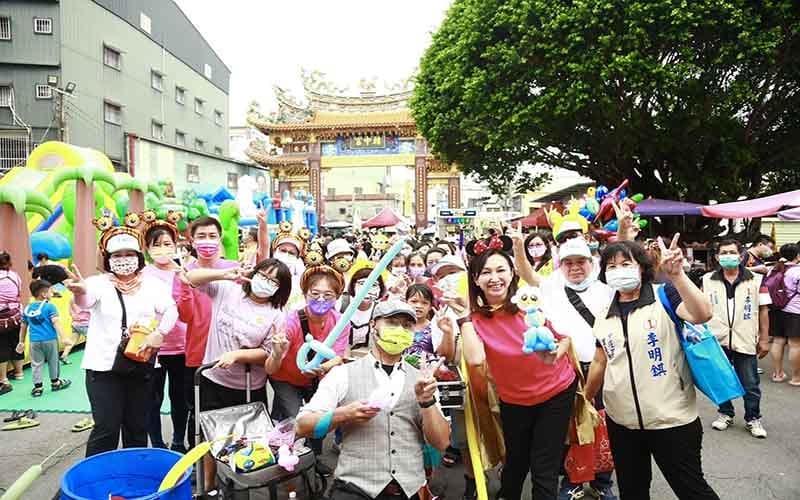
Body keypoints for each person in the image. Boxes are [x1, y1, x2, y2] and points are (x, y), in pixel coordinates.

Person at [585, 237, 719, 500]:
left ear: (641, 267)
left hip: (672, 419)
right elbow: (601, 360)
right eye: (611, 266)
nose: (618, 270)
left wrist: (678, 275)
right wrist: (586, 398)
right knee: (633, 491)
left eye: (626, 263)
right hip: (622, 421)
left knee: (692, 490)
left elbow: (703, 314)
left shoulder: (664, 296)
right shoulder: (604, 314)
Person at [295, 299, 451, 500]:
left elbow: (441, 442)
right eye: (392, 323)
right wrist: (344, 414)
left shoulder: (422, 380)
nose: (400, 330)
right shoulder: (342, 374)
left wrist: (427, 402)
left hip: (409, 489)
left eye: (406, 325)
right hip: (354, 488)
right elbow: (302, 427)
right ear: (373, 325)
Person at [457, 244, 577, 500]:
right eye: (486, 272)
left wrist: (556, 352)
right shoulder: (474, 320)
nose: (494, 278)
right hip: (514, 399)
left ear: (512, 273)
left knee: (543, 467)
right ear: (476, 280)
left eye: (501, 270)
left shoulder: (531, 301)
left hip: (556, 391)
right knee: (516, 462)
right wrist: (463, 318)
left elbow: (565, 336)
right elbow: (475, 359)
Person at [515, 236, 618, 499]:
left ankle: (602, 481)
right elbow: (527, 275)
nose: (575, 267)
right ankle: (572, 479)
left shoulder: (606, 288)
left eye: (580, 261)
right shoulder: (552, 287)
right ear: (560, 265)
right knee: (568, 426)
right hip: (564, 369)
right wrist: (518, 245)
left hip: (602, 368)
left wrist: (624, 231)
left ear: (591, 262)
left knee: (603, 425)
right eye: (568, 262)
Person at [67, 221, 178, 457]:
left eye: (129, 254)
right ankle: (94, 479)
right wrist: (79, 292)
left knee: (137, 427)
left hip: (140, 364)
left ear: (139, 256)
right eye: (117, 255)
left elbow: (171, 309)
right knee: (106, 428)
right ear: (108, 258)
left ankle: (134, 475)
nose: (124, 259)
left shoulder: (152, 284)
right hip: (103, 368)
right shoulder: (97, 283)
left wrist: (160, 333)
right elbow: (85, 302)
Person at [270, 264, 350, 468]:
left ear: (337, 296)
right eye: (315, 293)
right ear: (305, 294)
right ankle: (288, 458)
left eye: (328, 294)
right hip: (286, 378)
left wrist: (322, 369)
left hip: (318, 378)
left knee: (318, 418)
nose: (321, 299)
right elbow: (272, 365)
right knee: (296, 417)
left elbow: (338, 357)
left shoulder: (340, 322)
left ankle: (313, 459)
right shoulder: (291, 321)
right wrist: (277, 351)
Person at [178, 216, 240, 448]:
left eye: (212, 236)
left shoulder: (233, 267)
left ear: (220, 237)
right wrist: (184, 286)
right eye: (201, 236)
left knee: (231, 412)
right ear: (191, 240)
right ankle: (197, 464)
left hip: (229, 353)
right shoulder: (186, 272)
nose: (207, 241)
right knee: (199, 412)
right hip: (197, 352)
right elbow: (184, 315)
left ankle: (229, 458)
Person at [703, 239, 770, 438]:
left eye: (732, 252)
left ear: (741, 256)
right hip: (717, 338)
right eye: (723, 253)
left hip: (745, 338)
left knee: (750, 383)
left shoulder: (756, 279)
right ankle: (725, 412)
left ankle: (753, 417)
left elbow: (764, 310)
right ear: (717, 257)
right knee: (720, 379)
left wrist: (764, 339)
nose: (728, 256)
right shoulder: (707, 279)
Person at [142, 219, 190, 452]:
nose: (162, 249)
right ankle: (157, 444)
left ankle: (179, 440)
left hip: (182, 346)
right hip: (153, 347)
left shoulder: (185, 270)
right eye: (156, 244)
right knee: (152, 399)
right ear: (147, 249)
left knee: (180, 398)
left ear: (175, 245)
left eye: (167, 243)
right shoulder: (142, 274)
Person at [16, 279, 72, 396]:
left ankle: (38, 387)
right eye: (51, 291)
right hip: (50, 340)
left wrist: (21, 341)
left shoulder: (27, 308)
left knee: (36, 363)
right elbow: (56, 323)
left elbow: (23, 326)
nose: (52, 293)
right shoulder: (50, 307)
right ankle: (55, 383)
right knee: (53, 361)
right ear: (44, 294)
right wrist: (64, 338)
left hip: (34, 342)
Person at [770, 243, 800, 386]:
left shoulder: (774, 269)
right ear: (797, 256)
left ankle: (778, 373)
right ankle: (796, 378)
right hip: (795, 312)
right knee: (795, 345)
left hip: (776, 310)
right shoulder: (798, 271)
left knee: (777, 341)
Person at [345, 266, 386, 356]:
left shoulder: (380, 311)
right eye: (362, 283)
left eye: (373, 285)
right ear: (353, 285)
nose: (367, 288)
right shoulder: (341, 304)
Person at [0, 251, 23, 394]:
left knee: (1, 345)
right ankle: (19, 372)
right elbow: (19, 292)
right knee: (16, 342)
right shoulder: (15, 276)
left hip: (1, 317)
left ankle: (3, 378)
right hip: (16, 314)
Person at [61, 296, 90, 364]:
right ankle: (91, 358)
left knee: (71, 342)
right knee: (92, 342)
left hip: (75, 324)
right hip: (84, 324)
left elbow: (70, 311)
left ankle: (64, 356)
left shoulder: (72, 298)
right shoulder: (86, 298)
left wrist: (73, 315)